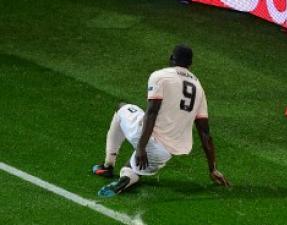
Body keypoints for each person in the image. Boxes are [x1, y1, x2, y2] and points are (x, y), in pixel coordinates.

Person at [92, 44, 229, 197]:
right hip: (164, 153)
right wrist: (212, 169)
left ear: (171, 58)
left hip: (145, 137)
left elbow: (152, 113)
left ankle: (107, 165)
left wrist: (141, 147)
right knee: (132, 169)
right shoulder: (199, 89)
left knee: (121, 107)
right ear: (190, 64)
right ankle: (126, 179)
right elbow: (205, 134)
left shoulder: (161, 76)